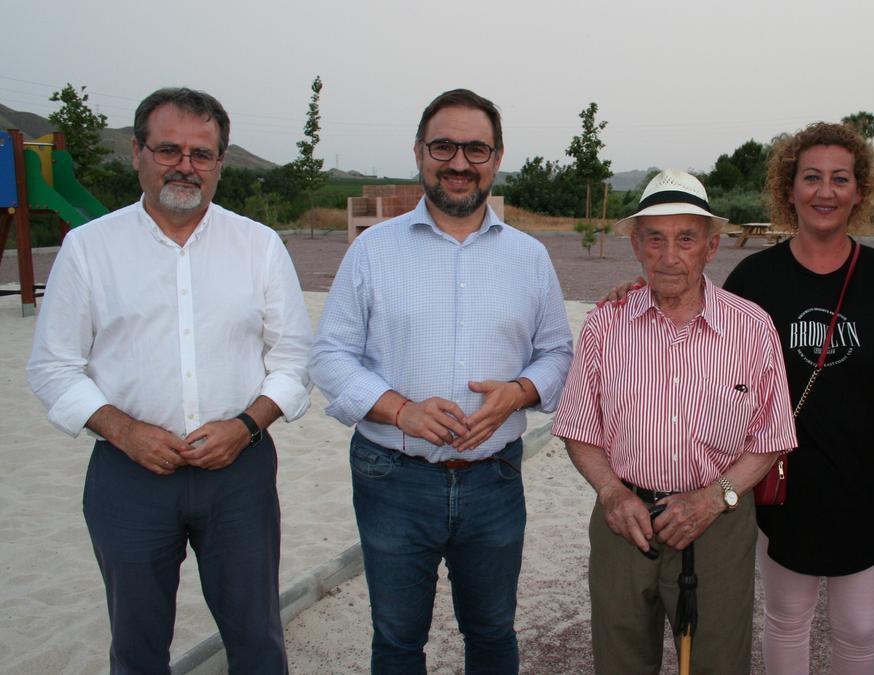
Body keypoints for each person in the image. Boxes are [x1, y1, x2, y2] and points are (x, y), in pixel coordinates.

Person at [26, 87, 312, 673]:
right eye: (169, 149)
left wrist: (244, 427)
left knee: (257, 638)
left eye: (202, 154)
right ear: (136, 152)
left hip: (239, 474)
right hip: (129, 476)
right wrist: (125, 431)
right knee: (136, 646)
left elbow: (294, 360)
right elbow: (53, 366)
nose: (186, 165)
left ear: (220, 164)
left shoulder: (257, 246)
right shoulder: (88, 249)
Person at [308, 88, 573, 673]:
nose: (459, 163)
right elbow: (329, 355)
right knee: (399, 642)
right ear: (419, 153)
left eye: (475, 148)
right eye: (443, 147)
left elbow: (557, 351)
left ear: (497, 157)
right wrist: (399, 410)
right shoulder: (373, 250)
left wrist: (521, 392)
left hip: (495, 479)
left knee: (492, 634)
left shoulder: (529, 257)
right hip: (392, 478)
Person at [554, 169, 798, 674]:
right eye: (655, 239)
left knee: (717, 664)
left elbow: (771, 437)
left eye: (686, 239)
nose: (669, 256)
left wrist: (712, 500)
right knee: (620, 662)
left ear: (710, 247)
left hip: (719, 522)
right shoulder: (605, 323)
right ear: (636, 245)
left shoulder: (751, 327)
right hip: (625, 518)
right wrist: (612, 493)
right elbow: (580, 429)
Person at [712, 122, 874, 674]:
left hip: (871, 484)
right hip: (782, 482)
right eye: (811, 178)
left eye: (839, 179)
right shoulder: (755, 278)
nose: (824, 192)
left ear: (859, 192)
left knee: (859, 629)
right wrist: (632, 291)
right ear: (789, 189)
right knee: (786, 619)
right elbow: (700, 352)